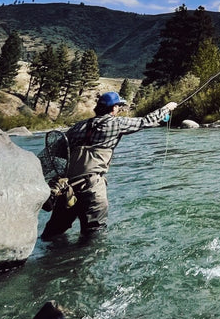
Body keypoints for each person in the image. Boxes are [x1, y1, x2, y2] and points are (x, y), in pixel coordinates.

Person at [41, 92, 177, 241]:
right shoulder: (116, 123)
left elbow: (56, 151)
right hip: (91, 187)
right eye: (118, 106)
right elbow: (145, 121)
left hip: (67, 188)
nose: (118, 109)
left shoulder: (78, 126)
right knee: (94, 236)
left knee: (53, 233)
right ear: (113, 108)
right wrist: (167, 108)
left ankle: (50, 255)